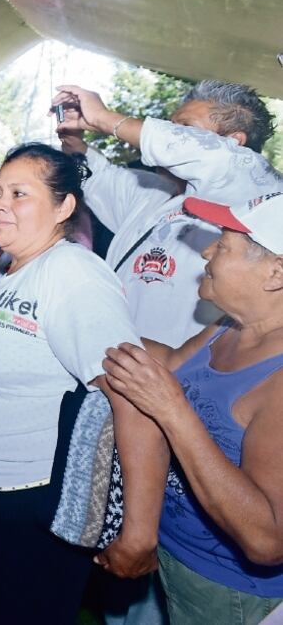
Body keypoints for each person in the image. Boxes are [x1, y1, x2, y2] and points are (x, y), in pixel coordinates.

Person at [0, 144, 163, 624]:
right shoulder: (12, 270)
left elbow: (135, 399)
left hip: (29, 511)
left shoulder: (72, 273)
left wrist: (139, 532)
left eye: (20, 194)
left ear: (65, 207)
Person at [103, 192, 283, 624]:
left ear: (275, 272)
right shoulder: (230, 327)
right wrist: (84, 322)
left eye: (223, 245)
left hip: (232, 593)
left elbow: (267, 539)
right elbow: (170, 365)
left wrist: (173, 411)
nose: (206, 250)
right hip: (177, 553)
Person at [53, 81, 282, 347]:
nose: (170, 135)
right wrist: (73, 139)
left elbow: (214, 157)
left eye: (183, 129)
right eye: (169, 125)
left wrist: (105, 118)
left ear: (233, 144)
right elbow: (98, 175)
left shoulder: (254, 192)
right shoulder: (154, 193)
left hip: (175, 377)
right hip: (106, 362)